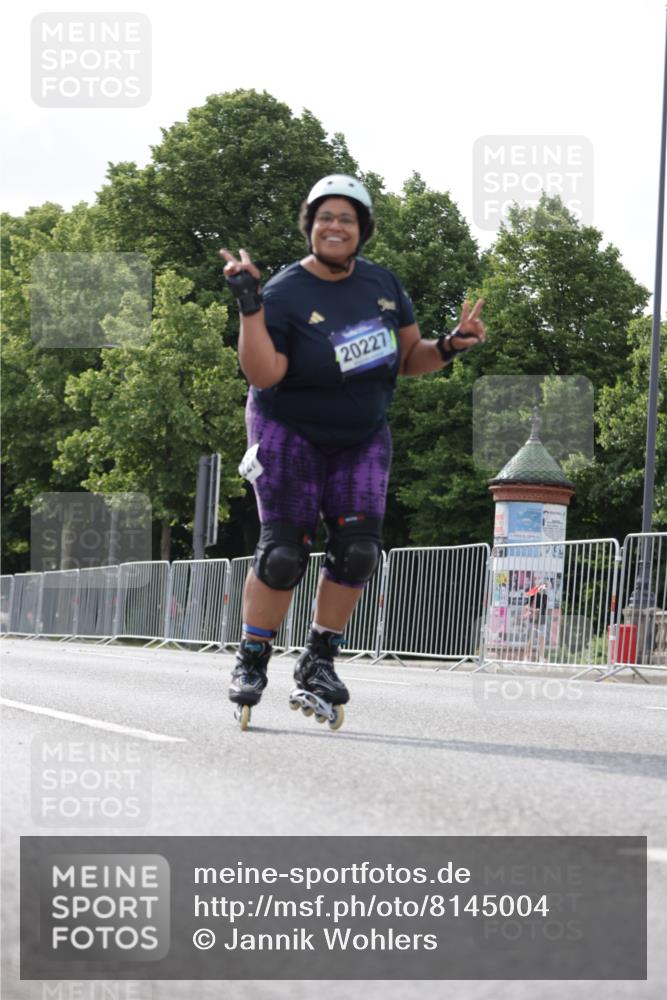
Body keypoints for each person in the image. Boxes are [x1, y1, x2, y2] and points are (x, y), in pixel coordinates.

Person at [220, 174, 486, 726]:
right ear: (310, 226)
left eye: (345, 218)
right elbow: (263, 371)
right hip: (287, 428)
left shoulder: (383, 285)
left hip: (361, 434)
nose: (333, 226)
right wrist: (250, 306)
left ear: (361, 229)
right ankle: (251, 658)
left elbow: (410, 358)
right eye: (324, 217)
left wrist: (451, 347)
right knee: (283, 554)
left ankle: (318, 659)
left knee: (359, 550)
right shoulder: (286, 292)